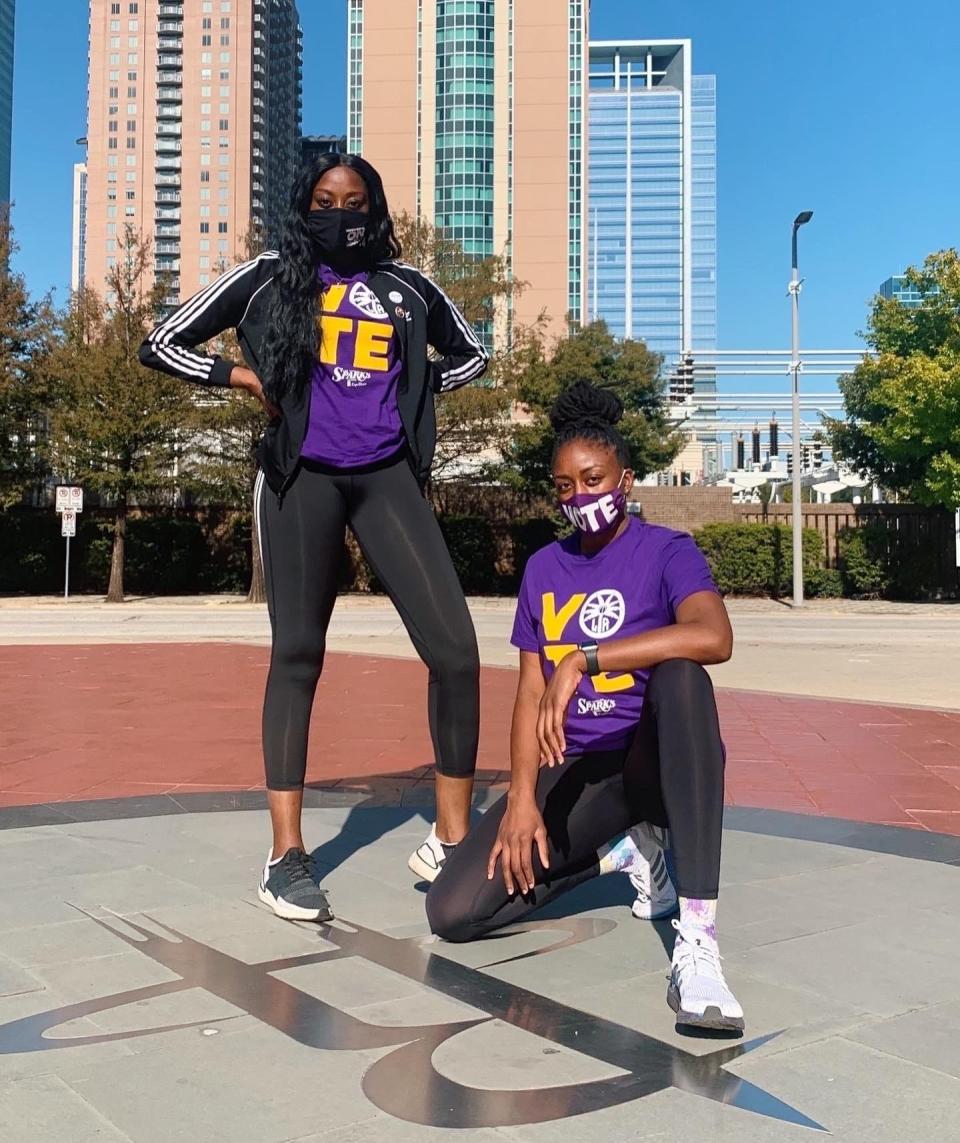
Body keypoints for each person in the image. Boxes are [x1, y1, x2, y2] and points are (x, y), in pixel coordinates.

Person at [140, 153, 487, 921]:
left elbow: (473, 354)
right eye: (325, 201)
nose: (340, 213)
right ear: (305, 207)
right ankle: (285, 856)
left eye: (355, 200)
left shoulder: (407, 288)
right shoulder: (269, 276)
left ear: (375, 207)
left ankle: (452, 835)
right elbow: (161, 342)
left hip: (387, 477)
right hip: (304, 481)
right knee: (298, 655)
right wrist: (244, 379)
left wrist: (416, 393)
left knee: (456, 652)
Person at [426, 380, 744, 1032]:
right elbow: (528, 693)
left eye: (593, 479)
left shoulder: (666, 551)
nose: (580, 497)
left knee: (684, 677)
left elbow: (715, 636)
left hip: (649, 762)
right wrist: (520, 798)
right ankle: (624, 850)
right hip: (583, 769)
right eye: (565, 487)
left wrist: (587, 657)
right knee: (454, 911)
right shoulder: (544, 567)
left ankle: (699, 940)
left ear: (625, 479)